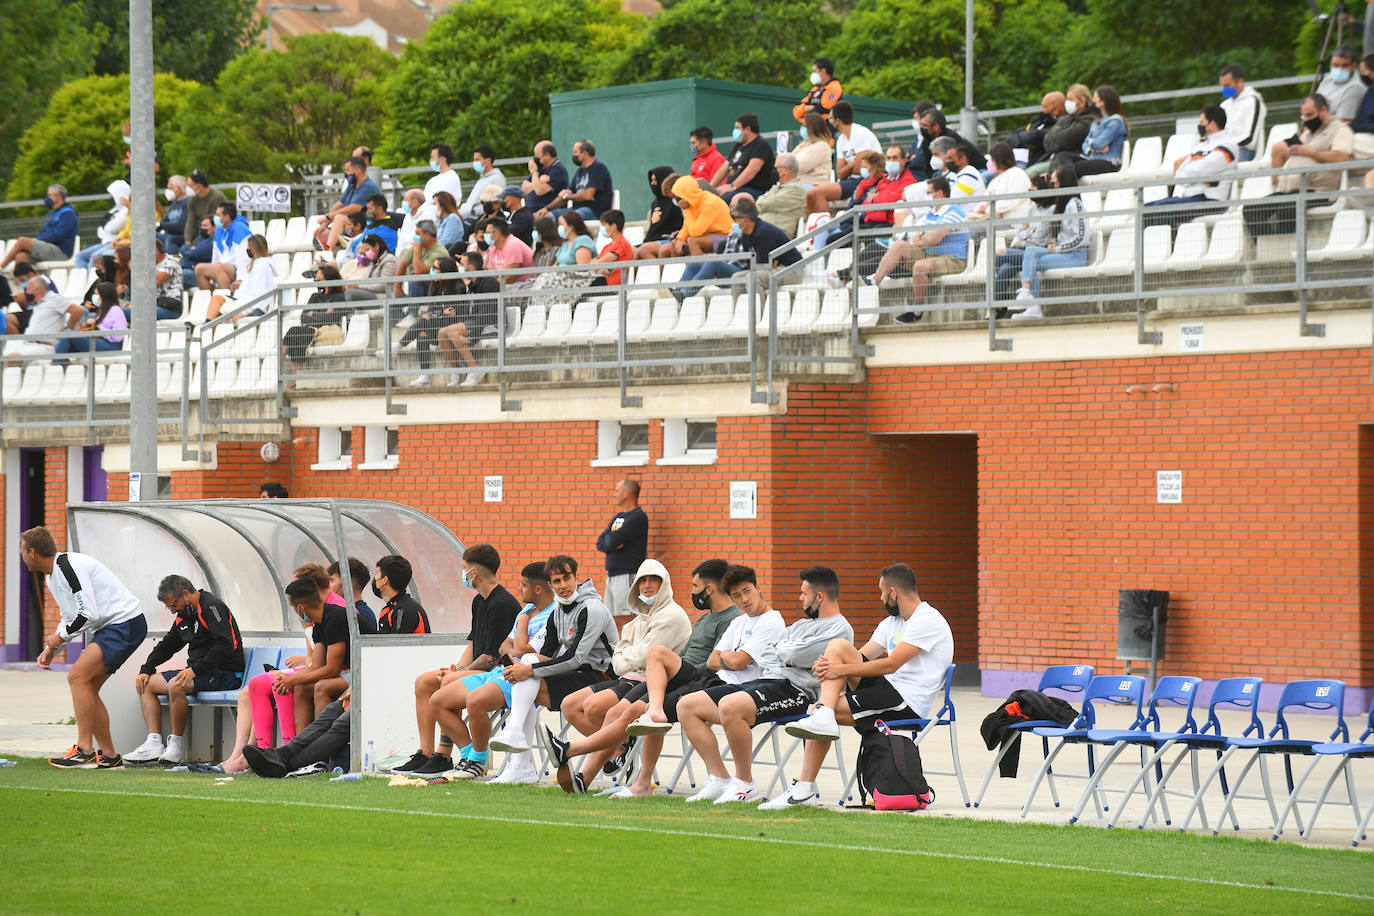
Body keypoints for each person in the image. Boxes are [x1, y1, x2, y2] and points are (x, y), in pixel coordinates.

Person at [764, 562, 952, 810]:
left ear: (894, 592)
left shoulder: (927, 620)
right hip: (886, 691)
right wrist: (831, 668)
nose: (881, 598)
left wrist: (838, 670)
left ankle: (803, 789)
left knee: (819, 711)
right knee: (838, 649)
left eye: (882, 593)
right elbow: (859, 656)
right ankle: (809, 768)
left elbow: (891, 664)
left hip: (907, 702)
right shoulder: (891, 624)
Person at [567, 558, 743, 798]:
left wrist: (670, 667)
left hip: (697, 682)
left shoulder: (730, 620)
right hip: (673, 676)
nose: (692, 592)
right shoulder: (704, 618)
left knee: (646, 698)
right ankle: (583, 778)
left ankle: (573, 752)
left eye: (694, 586)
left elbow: (714, 664)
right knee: (617, 712)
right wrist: (669, 668)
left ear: (708, 589)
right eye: (643, 581)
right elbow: (679, 655)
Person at [677, 565, 852, 804]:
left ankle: (744, 784)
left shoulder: (839, 628)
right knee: (687, 705)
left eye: (803, 593)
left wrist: (785, 651)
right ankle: (719, 778)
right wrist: (786, 652)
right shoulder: (801, 625)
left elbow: (793, 655)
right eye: (737, 595)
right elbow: (774, 653)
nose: (800, 598)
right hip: (767, 682)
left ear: (818, 596)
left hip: (797, 693)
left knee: (730, 705)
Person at [544, 558, 691, 793]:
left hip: (657, 683)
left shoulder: (671, 615)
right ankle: (619, 750)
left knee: (601, 709)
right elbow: (619, 659)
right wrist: (630, 658)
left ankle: (585, 770)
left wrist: (629, 657)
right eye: (642, 580)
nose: (647, 585)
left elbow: (646, 656)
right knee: (570, 705)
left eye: (654, 580)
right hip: (629, 677)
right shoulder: (639, 618)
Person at [417, 562, 558, 783]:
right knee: (438, 701)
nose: (519, 589)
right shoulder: (527, 610)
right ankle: (469, 757)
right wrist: (517, 642)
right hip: (502, 671)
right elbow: (505, 646)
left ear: (537, 589)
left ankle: (478, 760)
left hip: (522, 678)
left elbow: (522, 649)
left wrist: (521, 625)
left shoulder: (552, 614)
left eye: (522, 585)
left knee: (475, 701)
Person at [23, 526, 147, 769]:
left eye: (22, 551)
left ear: (33, 552)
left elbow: (88, 613)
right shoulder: (51, 578)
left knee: (77, 676)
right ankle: (110, 756)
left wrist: (59, 638)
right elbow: (70, 617)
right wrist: (52, 649)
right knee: (87, 686)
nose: (22, 556)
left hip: (125, 623)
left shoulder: (68, 566)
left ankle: (84, 749)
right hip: (114, 627)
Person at [395, 543, 521, 777]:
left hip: (497, 673)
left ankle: (446, 755)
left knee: (449, 681)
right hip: (477, 669)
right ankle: (425, 752)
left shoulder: (503, 603)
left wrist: (459, 672)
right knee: (424, 682)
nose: (462, 574)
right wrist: (457, 667)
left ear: (474, 572)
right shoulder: (478, 601)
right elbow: (474, 644)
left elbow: (491, 657)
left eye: (464, 568)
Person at [486, 554, 619, 755]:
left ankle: (620, 746)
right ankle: (519, 756)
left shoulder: (592, 609)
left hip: (604, 675)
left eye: (567, 578)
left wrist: (528, 669)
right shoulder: (558, 611)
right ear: (550, 584)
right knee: (528, 673)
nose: (563, 585)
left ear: (576, 578)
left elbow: (576, 658)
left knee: (529, 675)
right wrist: (520, 667)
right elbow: (548, 654)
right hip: (578, 673)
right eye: (557, 581)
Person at [123, 574, 245, 766]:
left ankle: (177, 747)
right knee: (147, 684)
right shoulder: (184, 615)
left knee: (176, 685)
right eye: (169, 607)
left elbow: (225, 645)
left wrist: (195, 670)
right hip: (199, 671)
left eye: (173, 605)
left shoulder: (211, 607)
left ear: (186, 594)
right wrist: (146, 669)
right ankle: (154, 743)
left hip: (225, 673)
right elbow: (169, 645)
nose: (172, 611)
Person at [240, 579, 353, 778]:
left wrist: (293, 679)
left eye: (293, 607)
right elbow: (317, 666)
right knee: (327, 714)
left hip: (363, 677)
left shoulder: (335, 617)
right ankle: (280, 755)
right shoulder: (319, 625)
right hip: (355, 680)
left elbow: (332, 669)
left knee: (336, 719)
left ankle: (288, 762)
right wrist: (290, 679)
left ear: (300, 607)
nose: (295, 612)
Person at [1243, 93, 1353, 239]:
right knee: (1252, 210)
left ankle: (1286, 254)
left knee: (1288, 208)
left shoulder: (1340, 130)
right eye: (1304, 116)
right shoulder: (1309, 132)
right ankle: (1269, 247)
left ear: (1324, 110)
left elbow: (1341, 157)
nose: (1307, 120)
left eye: (1310, 115)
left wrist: (1311, 152)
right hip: (1292, 189)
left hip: (1318, 190)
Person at [864, 177, 970, 325]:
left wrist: (924, 239)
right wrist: (924, 239)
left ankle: (916, 311)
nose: (926, 196)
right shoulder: (931, 213)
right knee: (899, 246)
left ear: (939, 194)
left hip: (952, 258)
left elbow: (933, 239)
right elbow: (917, 239)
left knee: (920, 266)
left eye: (929, 193)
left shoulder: (954, 211)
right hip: (929, 254)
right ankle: (874, 281)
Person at [673, 193, 801, 299]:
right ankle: (677, 292)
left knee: (742, 274)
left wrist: (721, 269)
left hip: (789, 269)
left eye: (734, 217)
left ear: (745, 219)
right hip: (753, 267)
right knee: (697, 264)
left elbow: (761, 265)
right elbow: (754, 261)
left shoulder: (763, 233)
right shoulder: (745, 232)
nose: (732, 221)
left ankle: (685, 294)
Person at [1143, 105, 1239, 236]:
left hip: (1210, 200)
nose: (1200, 126)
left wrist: (1192, 175)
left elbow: (1198, 170)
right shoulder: (1202, 145)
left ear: (1212, 124)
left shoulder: (1228, 145)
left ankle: (1170, 249)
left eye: (1202, 122)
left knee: (1159, 210)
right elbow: (1183, 172)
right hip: (1193, 197)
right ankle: (1150, 253)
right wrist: (1196, 177)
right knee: (1145, 209)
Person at [1010, 166, 1091, 319]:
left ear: (1063, 184)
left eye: (1055, 183)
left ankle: (1031, 302)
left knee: (1030, 261)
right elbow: (1063, 234)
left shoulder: (1075, 204)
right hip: (1065, 251)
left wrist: (1059, 248)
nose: (1052, 186)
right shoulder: (1064, 204)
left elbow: (1082, 237)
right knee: (1030, 252)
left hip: (1075, 255)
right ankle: (1027, 294)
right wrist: (1055, 242)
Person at [807, 101, 882, 213]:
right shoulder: (841, 140)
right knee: (810, 194)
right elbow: (840, 172)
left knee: (819, 193)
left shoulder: (860, 133)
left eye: (831, 118)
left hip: (868, 180)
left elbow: (862, 170)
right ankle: (813, 227)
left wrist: (849, 168)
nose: (829, 121)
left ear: (838, 120)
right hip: (851, 181)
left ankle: (823, 229)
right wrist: (852, 165)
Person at [992, 173, 1056, 303]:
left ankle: (1000, 304)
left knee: (1000, 254)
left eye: (1034, 186)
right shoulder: (1032, 209)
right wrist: (1030, 230)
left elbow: (1040, 239)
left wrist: (1028, 230)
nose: (1030, 189)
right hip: (1022, 248)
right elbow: (1020, 232)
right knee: (1005, 269)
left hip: (1037, 252)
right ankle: (1000, 305)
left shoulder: (1052, 210)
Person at [596, 479, 648, 618]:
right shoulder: (618, 517)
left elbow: (613, 539)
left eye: (617, 490)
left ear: (627, 493)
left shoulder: (638, 517)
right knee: (610, 619)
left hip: (627, 575)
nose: (615, 494)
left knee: (626, 618)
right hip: (612, 575)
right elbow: (601, 542)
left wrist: (612, 541)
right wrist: (612, 542)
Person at [3, 275, 81, 362]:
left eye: (29, 289)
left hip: (44, 346)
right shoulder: (39, 303)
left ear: (38, 289)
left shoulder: (53, 298)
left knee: (10, 360)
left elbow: (77, 310)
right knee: (4, 359)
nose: (27, 292)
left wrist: (67, 332)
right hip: (28, 344)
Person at [1055, 85, 1127, 178]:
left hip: (1108, 162)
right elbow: (1084, 146)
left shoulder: (1115, 121)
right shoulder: (1097, 121)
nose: (1092, 101)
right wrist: (1094, 148)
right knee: (1062, 156)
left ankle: (1066, 186)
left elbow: (1098, 143)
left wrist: (1094, 145)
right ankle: (1065, 181)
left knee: (1075, 168)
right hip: (1092, 159)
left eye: (1095, 98)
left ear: (1103, 102)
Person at [0, 185, 78, 269]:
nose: (47, 198)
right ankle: (22, 281)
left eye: (49, 195)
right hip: (47, 248)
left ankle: (1, 267)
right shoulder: (52, 213)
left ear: (58, 196)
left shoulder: (68, 213)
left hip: (60, 252)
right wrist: (38, 240)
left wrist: (37, 240)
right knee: (21, 256)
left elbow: (58, 235)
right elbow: (44, 232)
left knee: (22, 241)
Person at [314, 156, 381, 251]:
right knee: (319, 234)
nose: (346, 173)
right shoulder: (353, 185)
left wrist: (329, 216)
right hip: (352, 225)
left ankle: (328, 252)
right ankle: (318, 263)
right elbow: (339, 204)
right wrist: (324, 225)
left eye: (348, 170)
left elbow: (355, 208)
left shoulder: (367, 186)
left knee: (340, 218)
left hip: (367, 225)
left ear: (357, 170)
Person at [206, 233, 277, 321]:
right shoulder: (253, 265)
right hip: (241, 302)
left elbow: (260, 294)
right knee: (216, 299)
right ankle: (206, 330)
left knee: (218, 308)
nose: (247, 249)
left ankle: (206, 332)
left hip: (249, 307)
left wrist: (244, 313)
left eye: (249, 247)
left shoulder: (263, 266)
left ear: (255, 249)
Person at [1031, 84, 1095, 178]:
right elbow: (1047, 142)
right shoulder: (1066, 119)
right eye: (1067, 99)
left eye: (1070, 99)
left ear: (1082, 102)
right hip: (1056, 160)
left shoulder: (1088, 120)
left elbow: (1066, 139)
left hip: (1070, 162)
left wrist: (1055, 135)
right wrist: (1058, 139)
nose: (1067, 102)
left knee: (1031, 173)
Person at [712, 113, 778, 203]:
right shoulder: (738, 146)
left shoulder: (761, 145)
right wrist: (710, 188)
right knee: (708, 199)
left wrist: (732, 186)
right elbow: (725, 167)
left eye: (737, 128)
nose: (734, 131)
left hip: (754, 191)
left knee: (721, 201)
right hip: (736, 189)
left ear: (747, 129)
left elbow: (752, 169)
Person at [54, 281, 125, 356]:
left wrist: (98, 326)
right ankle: (60, 365)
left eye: (97, 294)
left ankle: (55, 364)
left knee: (68, 334)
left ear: (104, 296)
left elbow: (117, 337)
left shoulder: (116, 310)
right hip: (98, 341)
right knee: (67, 343)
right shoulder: (102, 311)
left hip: (111, 346)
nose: (94, 297)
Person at [549, 139, 614, 221]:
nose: (573, 155)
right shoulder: (580, 171)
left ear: (585, 154)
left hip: (593, 212)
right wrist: (547, 209)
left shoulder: (598, 168)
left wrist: (567, 197)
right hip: (575, 209)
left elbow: (588, 196)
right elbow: (566, 194)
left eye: (575, 152)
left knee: (567, 219)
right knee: (549, 216)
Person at [74, 180, 130, 270]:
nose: (111, 198)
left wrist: (106, 226)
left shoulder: (126, 211)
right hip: (107, 242)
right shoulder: (115, 210)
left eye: (113, 195)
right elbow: (101, 230)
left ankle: (93, 282)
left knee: (95, 257)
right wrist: (106, 227)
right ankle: (83, 281)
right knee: (80, 256)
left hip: (117, 242)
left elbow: (111, 228)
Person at [393, 219, 449, 307]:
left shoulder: (439, 251)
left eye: (418, 234)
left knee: (416, 280)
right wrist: (398, 288)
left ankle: (413, 315)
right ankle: (400, 320)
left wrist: (416, 251)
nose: (415, 237)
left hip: (433, 292)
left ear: (427, 235)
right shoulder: (419, 246)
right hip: (415, 292)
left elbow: (420, 272)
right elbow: (403, 263)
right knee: (394, 303)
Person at [196, 201, 251, 291]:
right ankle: (209, 297)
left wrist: (241, 278)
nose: (215, 218)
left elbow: (243, 256)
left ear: (227, 217)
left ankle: (225, 299)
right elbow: (216, 255)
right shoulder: (219, 229)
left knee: (218, 267)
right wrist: (213, 280)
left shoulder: (240, 228)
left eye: (218, 215)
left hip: (235, 268)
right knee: (199, 269)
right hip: (221, 266)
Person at [973, 142, 1033, 223]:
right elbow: (986, 198)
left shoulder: (1016, 174)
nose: (989, 162)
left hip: (1013, 221)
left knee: (974, 230)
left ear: (999, 160)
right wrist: (979, 208)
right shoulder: (997, 178)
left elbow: (1011, 201)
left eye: (992, 159)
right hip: (996, 219)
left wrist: (987, 209)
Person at [1219, 64, 1267, 163]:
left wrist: (1226, 146)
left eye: (1228, 85)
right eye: (1223, 86)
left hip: (1243, 151)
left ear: (1240, 81)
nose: (1225, 90)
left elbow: (1249, 139)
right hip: (1223, 150)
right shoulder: (1224, 105)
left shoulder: (1253, 101)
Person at [1005, 92, 1066, 168]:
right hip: (1021, 159)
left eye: (1044, 107)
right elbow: (1011, 135)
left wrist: (1023, 138)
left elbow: (1033, 137)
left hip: (1036, 164)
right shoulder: (1038, 121)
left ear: (1056, 110)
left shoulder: (1061, 124)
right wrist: (1023, 143)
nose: (1041, 110)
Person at [755, 152, 808, 239]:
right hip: (762, 232)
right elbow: (762, 203)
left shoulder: (796, 190)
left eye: (776, 168)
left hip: (778, 236)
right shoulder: (776, 188)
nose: (774, 171)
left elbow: (767, 203)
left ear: (786, 170)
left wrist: (760, 203)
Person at [374, 554, 430, 633]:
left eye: (376, 574)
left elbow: (396, 643)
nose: (375, 578)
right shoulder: (390, 609)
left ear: (384, 580)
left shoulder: (405, 610)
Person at [327, 556, 378, 634]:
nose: (327, 585)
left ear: (346, 582)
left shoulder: (361, 615)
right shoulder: (345, 611)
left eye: (331, 580)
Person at [1317, 46, 1364, 123]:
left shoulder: (1355, 88)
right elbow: (1314, 105)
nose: (1339, 69)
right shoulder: (1328, 80)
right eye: (1335, 65)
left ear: (1354, 65)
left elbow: (1342, 121)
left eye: (1345, 65)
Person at [461, 145, 506, 223]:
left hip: (478, 220)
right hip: (468, 218)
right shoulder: (481, 180)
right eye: (474, 160)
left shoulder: (497, 179)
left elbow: (496, 203)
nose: (475, 162)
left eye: (477, 160)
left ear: (488, 160)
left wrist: (473, 211)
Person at [182, 170, 227, 247]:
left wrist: (195, 244)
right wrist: (188, 241)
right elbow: (190, 222)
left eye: (190, 186)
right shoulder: (192, 200)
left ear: (199, 186)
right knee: (184, 249)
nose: (187, 189)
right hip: (201, 233)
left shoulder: (217, 197)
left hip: (215, 235)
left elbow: (216, 224)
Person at [523, 140, 569, 214]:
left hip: (545, 213)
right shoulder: (540, 169)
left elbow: (539, 191)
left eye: (537, 156)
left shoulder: (558, 170)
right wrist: (539, 182)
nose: (535, 159)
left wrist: (534, 172)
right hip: (530, 211)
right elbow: (524, 187)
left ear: (547, 155)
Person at [793, 56, 843, 123]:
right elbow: (796, 112)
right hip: (813, 129)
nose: (812, 74)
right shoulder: (815, 89)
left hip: (828, 131)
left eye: (814, 71)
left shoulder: (834, 88)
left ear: (823, 71)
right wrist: (806, 108)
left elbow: (823, 110)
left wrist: (806, 110)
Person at [794, 112, 835, 189]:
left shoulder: (822, 146)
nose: (802, 128)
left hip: (813, 186)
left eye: (804, 126)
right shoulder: (804, 144)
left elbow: (800, 166)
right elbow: (789, 159)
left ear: (813, 128)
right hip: (798, 184)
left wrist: (789, 165)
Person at [593, 209, 635, 285]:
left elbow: (598, 263)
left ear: (614, 227)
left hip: (610, 284)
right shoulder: (606, 246)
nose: (602, 228)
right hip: (601, 280)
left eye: (604, 225)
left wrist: (597, 268)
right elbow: (595, 264)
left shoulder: (622, 244)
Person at [644, 166, 685, 244]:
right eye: (651, 180)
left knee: (644, 250)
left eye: (655, 180)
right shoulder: (654, 203)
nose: (652, 183)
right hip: (650, 241)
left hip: (667, 240)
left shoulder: (675, 201)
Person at [156, 175, 189, 252]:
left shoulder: (187, 203)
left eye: (170, 188)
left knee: (170, 239)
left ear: (178, 189)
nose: (167, 190)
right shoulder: (174, 204)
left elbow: (181, 226)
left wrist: (162, 225)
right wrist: (159, 225)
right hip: (170, 234)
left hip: (181, 236)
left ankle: (172, 261)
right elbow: (164, 220)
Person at [425, 141, 464, 206]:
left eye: (433, 158)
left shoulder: (452, 178)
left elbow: (439, 203)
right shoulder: (432, 180)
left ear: (442, 159)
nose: (430, 160)